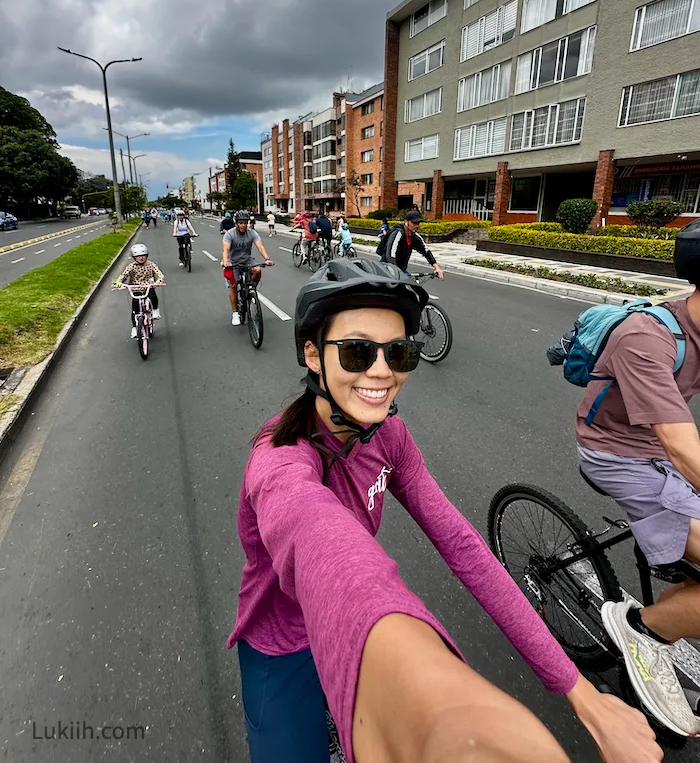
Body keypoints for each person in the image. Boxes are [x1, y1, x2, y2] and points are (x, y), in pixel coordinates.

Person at [227, 258, 660, 763]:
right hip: (284, 642)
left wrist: (582, 695)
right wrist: (450, 715)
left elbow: (466, 549)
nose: (382, 371)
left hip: (360, 640)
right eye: (357, 351)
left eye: (400, 352)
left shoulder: (388, 436)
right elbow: (326, 550)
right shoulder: (278, 462)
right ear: (313, 356)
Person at [576, 218, 700, 738]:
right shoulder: (645, 337)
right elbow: (677, 440)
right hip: (615, 453)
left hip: (663, 449)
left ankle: (676, 608)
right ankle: (640, 630)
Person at [222, 210, 273, 326]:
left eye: (245, 223)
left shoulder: (252, 233)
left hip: (247, 260)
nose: (243, 225)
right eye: (240, 223)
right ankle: (235, 313)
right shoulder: (230, 234)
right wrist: (226, 261)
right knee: (233, 286)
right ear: (236, 223)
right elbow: (225, 249)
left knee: (258, 270)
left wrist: (267, 258)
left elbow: (260, 246)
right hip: (233, 263)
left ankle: (251, 289)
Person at [114, 243, 164, 338]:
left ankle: (155, 309)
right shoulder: (131, 266)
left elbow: (159, 273)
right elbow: (124, 275)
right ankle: (134, 328)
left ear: (147, 256)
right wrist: (118, 282)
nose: (141, 258)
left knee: (153, 296)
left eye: (143, 256)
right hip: (135, 288)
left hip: (148, 286)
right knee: (135, 310)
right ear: (134, 257)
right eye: (138, 256)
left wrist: (159, 280)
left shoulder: (151, 264)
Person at [381, 209, 443, 280]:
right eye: (414, 223)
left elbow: (426, 251)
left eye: (418, 223)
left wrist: (437, 268)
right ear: (406, 222)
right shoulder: (397, 234)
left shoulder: (415, 237)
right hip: (387, 269)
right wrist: (398, 274)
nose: (417, 226)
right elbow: (390, 256)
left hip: (401, 270)